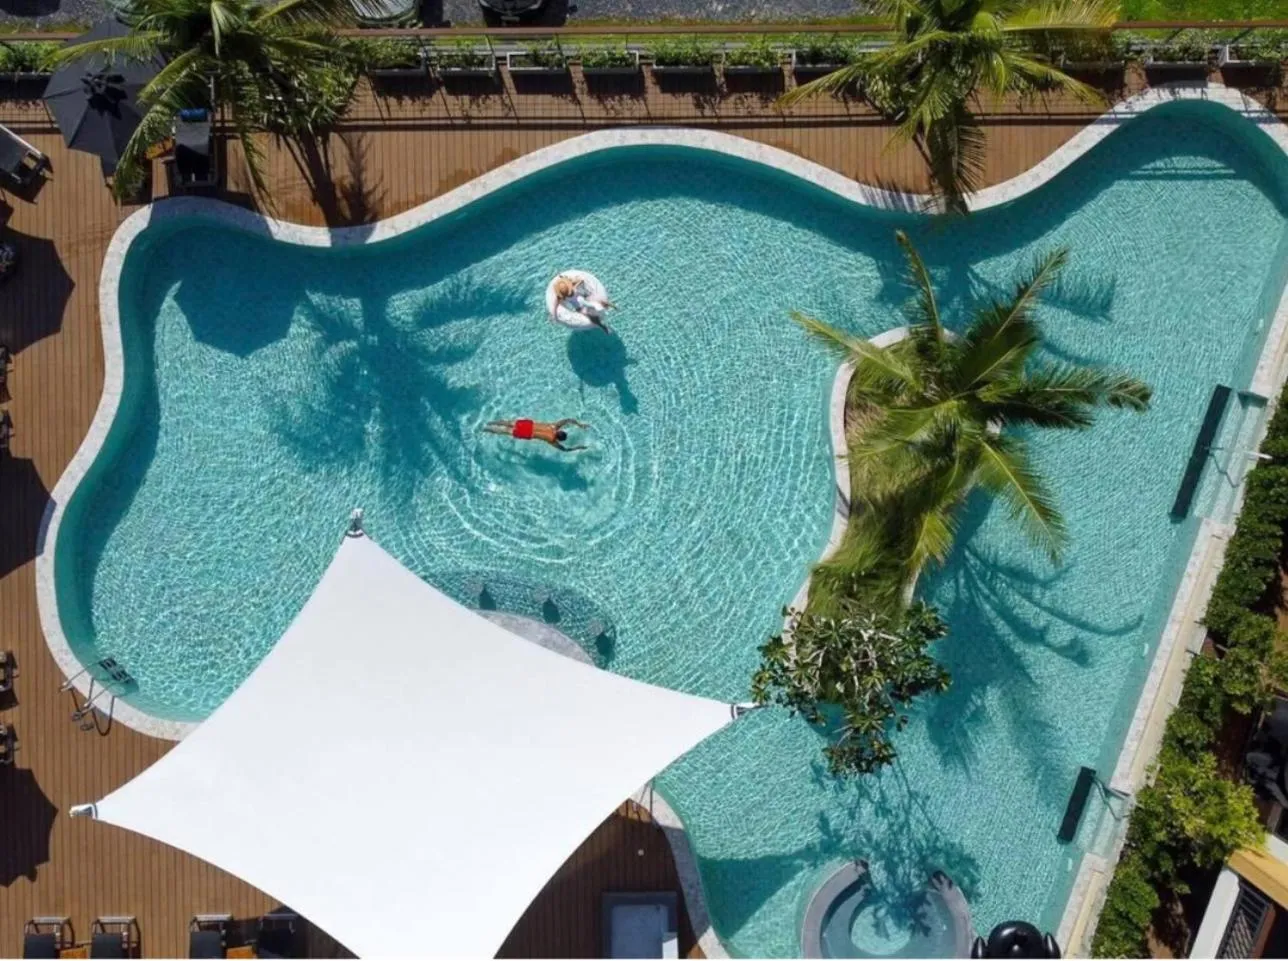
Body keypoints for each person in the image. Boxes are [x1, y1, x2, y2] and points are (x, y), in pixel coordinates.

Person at [484, 417, 590, 452]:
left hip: (529, 426)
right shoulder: (552, 440)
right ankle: (487, 429)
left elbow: (569, 420)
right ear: (559, 438)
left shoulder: (554, 426)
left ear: (560, 431)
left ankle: (490, 422)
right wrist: (578, 447)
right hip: (528, 433)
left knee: (508, 423)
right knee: (505, 431)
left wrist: (580, 425)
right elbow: (564, 449)